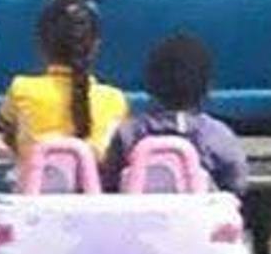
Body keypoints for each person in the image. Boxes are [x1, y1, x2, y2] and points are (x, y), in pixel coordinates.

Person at [102, 33, 248, 196]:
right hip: (199, 219)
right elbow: (237, 184)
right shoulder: (217, 135)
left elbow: (109, 182)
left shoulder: (128, 133)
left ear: (151, 84)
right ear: (207, 88)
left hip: (137, 219)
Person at [0, 0, 128, 166]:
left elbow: (9, 136)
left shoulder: (21, 88)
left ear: (40, 44)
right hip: (96, 190)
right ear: (95, 46)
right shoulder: (115, 99)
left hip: (34, 188)